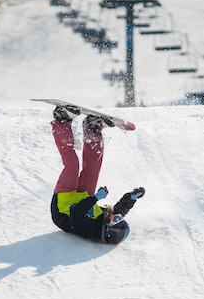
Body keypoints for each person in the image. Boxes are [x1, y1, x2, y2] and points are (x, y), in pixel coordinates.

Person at [50, 104, 145, 244]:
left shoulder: (89, 230)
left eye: (115, 221)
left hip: (63, 204)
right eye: (119, 219)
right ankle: (92, 129)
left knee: (72, 167)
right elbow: (120, 210)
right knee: (93, 169)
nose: (116, 217)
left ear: (108, 228)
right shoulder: (107, 222)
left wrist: (95, 198)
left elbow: (76, 214)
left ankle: (61, 120)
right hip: (83, 197)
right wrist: (131, 198)